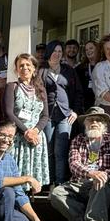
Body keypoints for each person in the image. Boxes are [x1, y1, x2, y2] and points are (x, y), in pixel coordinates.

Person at [50, 107, 110, 221]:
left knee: (100, 185)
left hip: (102, 183)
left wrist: (102, 175)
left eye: (98, 120)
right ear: (86, 123)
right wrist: (91, 173)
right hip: (80, 182)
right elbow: (73, 164)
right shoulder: (78, 140)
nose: (94, 122)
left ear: (104, 125)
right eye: (91, 120)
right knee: (56, 193)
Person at [40, 40, 83, 186]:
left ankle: (59, 183)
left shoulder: (68, 70)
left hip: (65, 115)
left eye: (60, 51)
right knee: (49, 149)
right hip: (47, 115)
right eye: (55, 51)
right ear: (49, 52)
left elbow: (78, 92)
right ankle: (49, 182)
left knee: (61, 150)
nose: (57, 54)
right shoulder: (42, 70)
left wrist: (75, 112)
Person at [4, 54, 50, 189]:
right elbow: (9, 113)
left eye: (28, 65)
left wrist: (35, 131)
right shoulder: (12, 87)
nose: (25, 68)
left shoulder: (41, 89)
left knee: (34, 181)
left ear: (34, 68)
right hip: (19, 137)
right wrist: (26, 132)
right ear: (17, 69)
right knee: (17, 178)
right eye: (21, 65)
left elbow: (45, 116)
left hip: (36, 138)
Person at [77, 40, 101, 111]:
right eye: (86, 50)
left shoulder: (104, 66)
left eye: (91, 48)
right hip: (86, 105)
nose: (88, 51)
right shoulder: (80, 68)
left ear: (97, 49)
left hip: (102, 102)